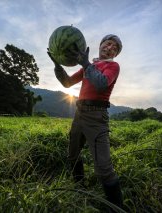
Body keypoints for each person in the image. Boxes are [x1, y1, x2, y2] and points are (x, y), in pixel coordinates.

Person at [47, 34, 123, 210]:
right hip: (80, 113)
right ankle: (80, 188)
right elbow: (67, 83)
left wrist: (86, 64)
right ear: (101, 45)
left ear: (115, 54)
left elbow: (101, 83)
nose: (110, 47)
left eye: (115, 48)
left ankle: (117, 207)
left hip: (97, 117)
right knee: (73, 154)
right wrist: (57, 65)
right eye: (108, 43)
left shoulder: (112, 66)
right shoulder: (90, 66)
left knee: (104, 168)